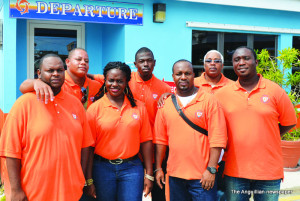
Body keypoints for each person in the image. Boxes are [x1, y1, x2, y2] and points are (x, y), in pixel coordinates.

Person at [0, 54, 94, 201]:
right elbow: (10, 152)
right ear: (39, 73)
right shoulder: (23, 104)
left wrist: (80, 178)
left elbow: (85, 146)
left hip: (70, 191)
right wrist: (16, 189)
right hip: (33, 191)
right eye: (50, 70)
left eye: (60, 70)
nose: (56, 74)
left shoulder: (75, 104)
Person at [214, 47, 297, 201]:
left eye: (246, 58)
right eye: (236, 60)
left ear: (256, 62)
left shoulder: (275, 91)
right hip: (235, 171)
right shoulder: (222, 95)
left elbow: (289, 122)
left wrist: (268, 134)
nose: (241, 62)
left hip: (268, 171)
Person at [90, 47, 171, 201]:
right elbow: (94, 77)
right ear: (135, 63)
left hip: (144, 157)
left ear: (154, 63)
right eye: (141, 61)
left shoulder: (163, 88)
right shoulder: (123, 78)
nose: (145, 64)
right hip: (105, 163)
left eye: (149, 61)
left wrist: (149, 172)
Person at [154, 59, 227, 201]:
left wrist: (211, 170)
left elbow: (218, 139)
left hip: (202, 177)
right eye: (179, 74)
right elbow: (160, 141)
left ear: (194, 75)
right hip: (174, 176)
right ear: (173, 77)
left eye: (187, 73)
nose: (183, 77)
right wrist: (158, 168)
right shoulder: (166, 104)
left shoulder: (209, 101)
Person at [85, 62, 154, 201]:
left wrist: (149, 174)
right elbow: (88, 147)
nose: (114, 84)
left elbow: (146, 141)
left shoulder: (139, 107)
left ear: (127, 81)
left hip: (132, 169)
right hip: (102, 168)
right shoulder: (95, 108)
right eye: (111, 80)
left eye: (120, 81)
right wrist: (88, 179)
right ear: (105, 81)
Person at [19, 48, 102, 109]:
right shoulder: (57, 81)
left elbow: (110, 78)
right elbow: (23, 87)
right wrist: (34, 83)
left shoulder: (96, 86)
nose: (83, 62)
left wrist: (94, 76)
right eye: (78, 59)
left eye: (86, 61)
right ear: (67, 62)